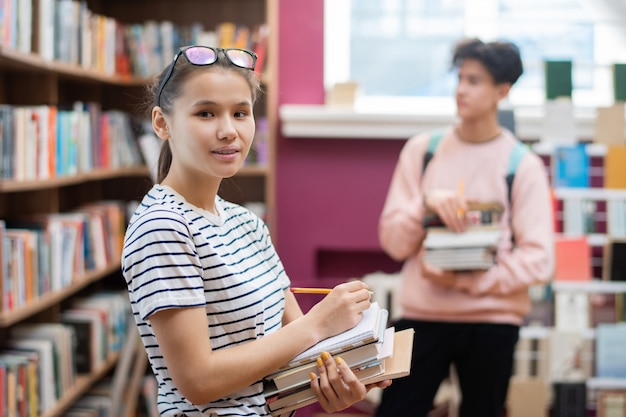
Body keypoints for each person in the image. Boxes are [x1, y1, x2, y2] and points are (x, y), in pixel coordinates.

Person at [121, 45, 390, 417]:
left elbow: (297, 348)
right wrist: (319, 322)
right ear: (162, 123)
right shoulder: (162, 226)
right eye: (205, 113)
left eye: (240, 113)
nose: (228, 130)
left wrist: (342, 374)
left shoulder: (247, 224)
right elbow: (197, 381)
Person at [375, 38, 554, 417]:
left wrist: (466, 282)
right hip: (422, 314)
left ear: (502, 91)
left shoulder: (523, 165)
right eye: (459, 78)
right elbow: (393, 242)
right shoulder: (422, 151)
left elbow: (539, 260)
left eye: (474, 80)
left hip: (492, 321)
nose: (461, 89)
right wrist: (424, 207)